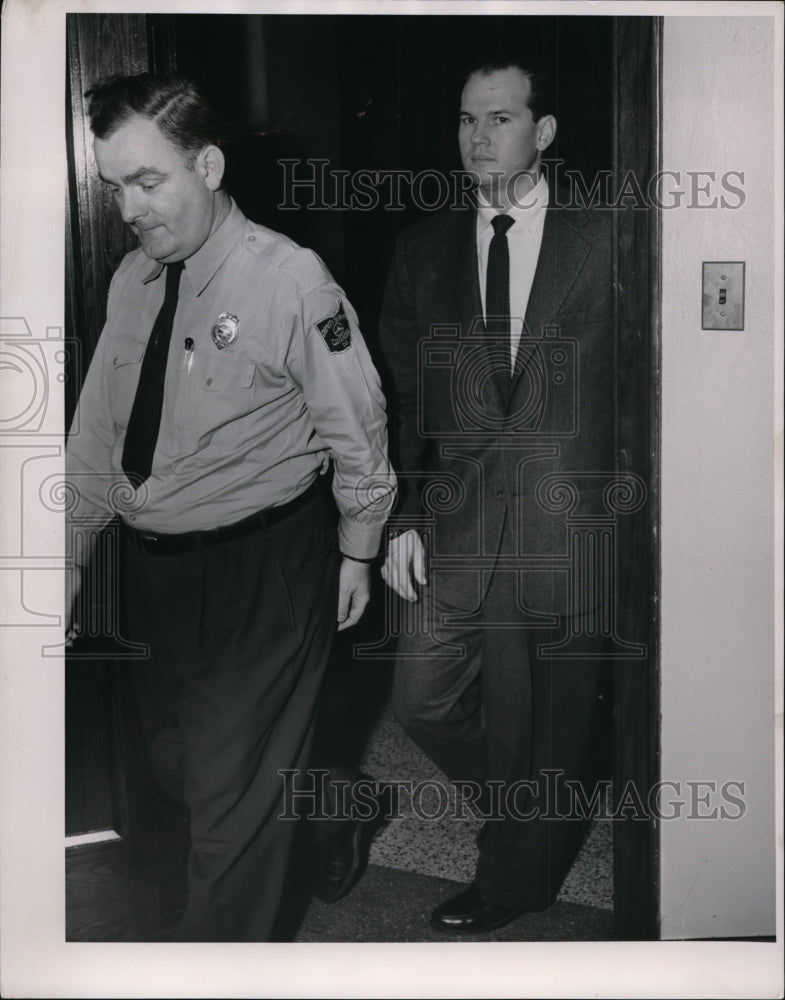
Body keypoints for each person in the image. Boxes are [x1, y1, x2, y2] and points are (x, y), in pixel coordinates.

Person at [65, 72, 395, 941]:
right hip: (154, 574)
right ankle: (329, 806)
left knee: (228, 809)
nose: (130, 209)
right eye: (115, 189)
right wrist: (59, 559)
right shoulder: (135, 283)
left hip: (263, 569)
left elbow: (356, 423)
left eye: (147, 182)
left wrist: (359, 547)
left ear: (207, 164)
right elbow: (99, 431)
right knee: (178, 772)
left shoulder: (291, 280)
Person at [379, 57, 614, 933]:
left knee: (529, 720)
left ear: (542, 132)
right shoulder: (420, 248)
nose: (478, 136)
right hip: (458, 513)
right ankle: (539, 811)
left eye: (501, 118)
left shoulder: (610, 235)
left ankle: (512, 875)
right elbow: (404, 394)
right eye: (467, 119)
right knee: (421, 698)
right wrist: (402, 511)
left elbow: (642, 386)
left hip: (563, 519)